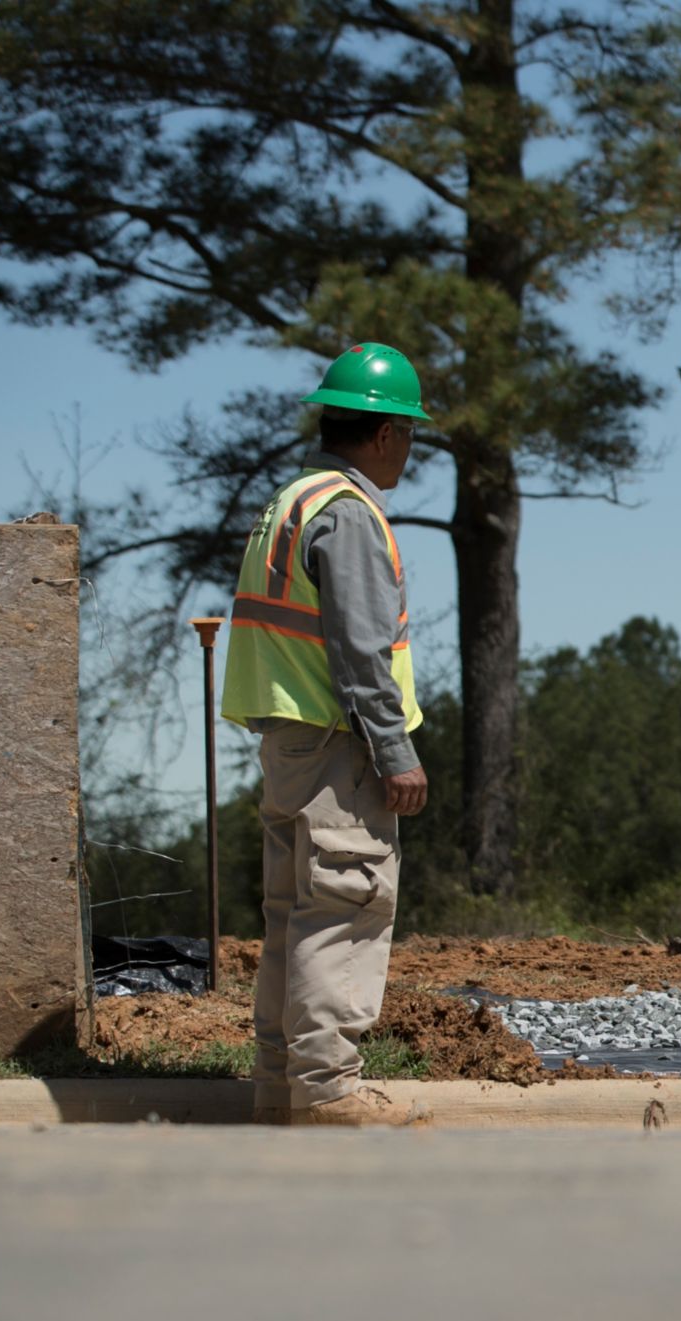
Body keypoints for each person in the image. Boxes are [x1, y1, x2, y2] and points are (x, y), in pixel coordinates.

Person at [220, 343, 432, 1126]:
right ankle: (328, 1090)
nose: (409, 449)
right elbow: (359, 648)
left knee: (294, 910)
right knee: (344, 904)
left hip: (289, 739)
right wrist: (395, 750)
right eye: (408, 433)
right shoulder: (348, 513)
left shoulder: (291, 500)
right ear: (382, 435)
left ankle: (281, 1086)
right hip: (338, 742)